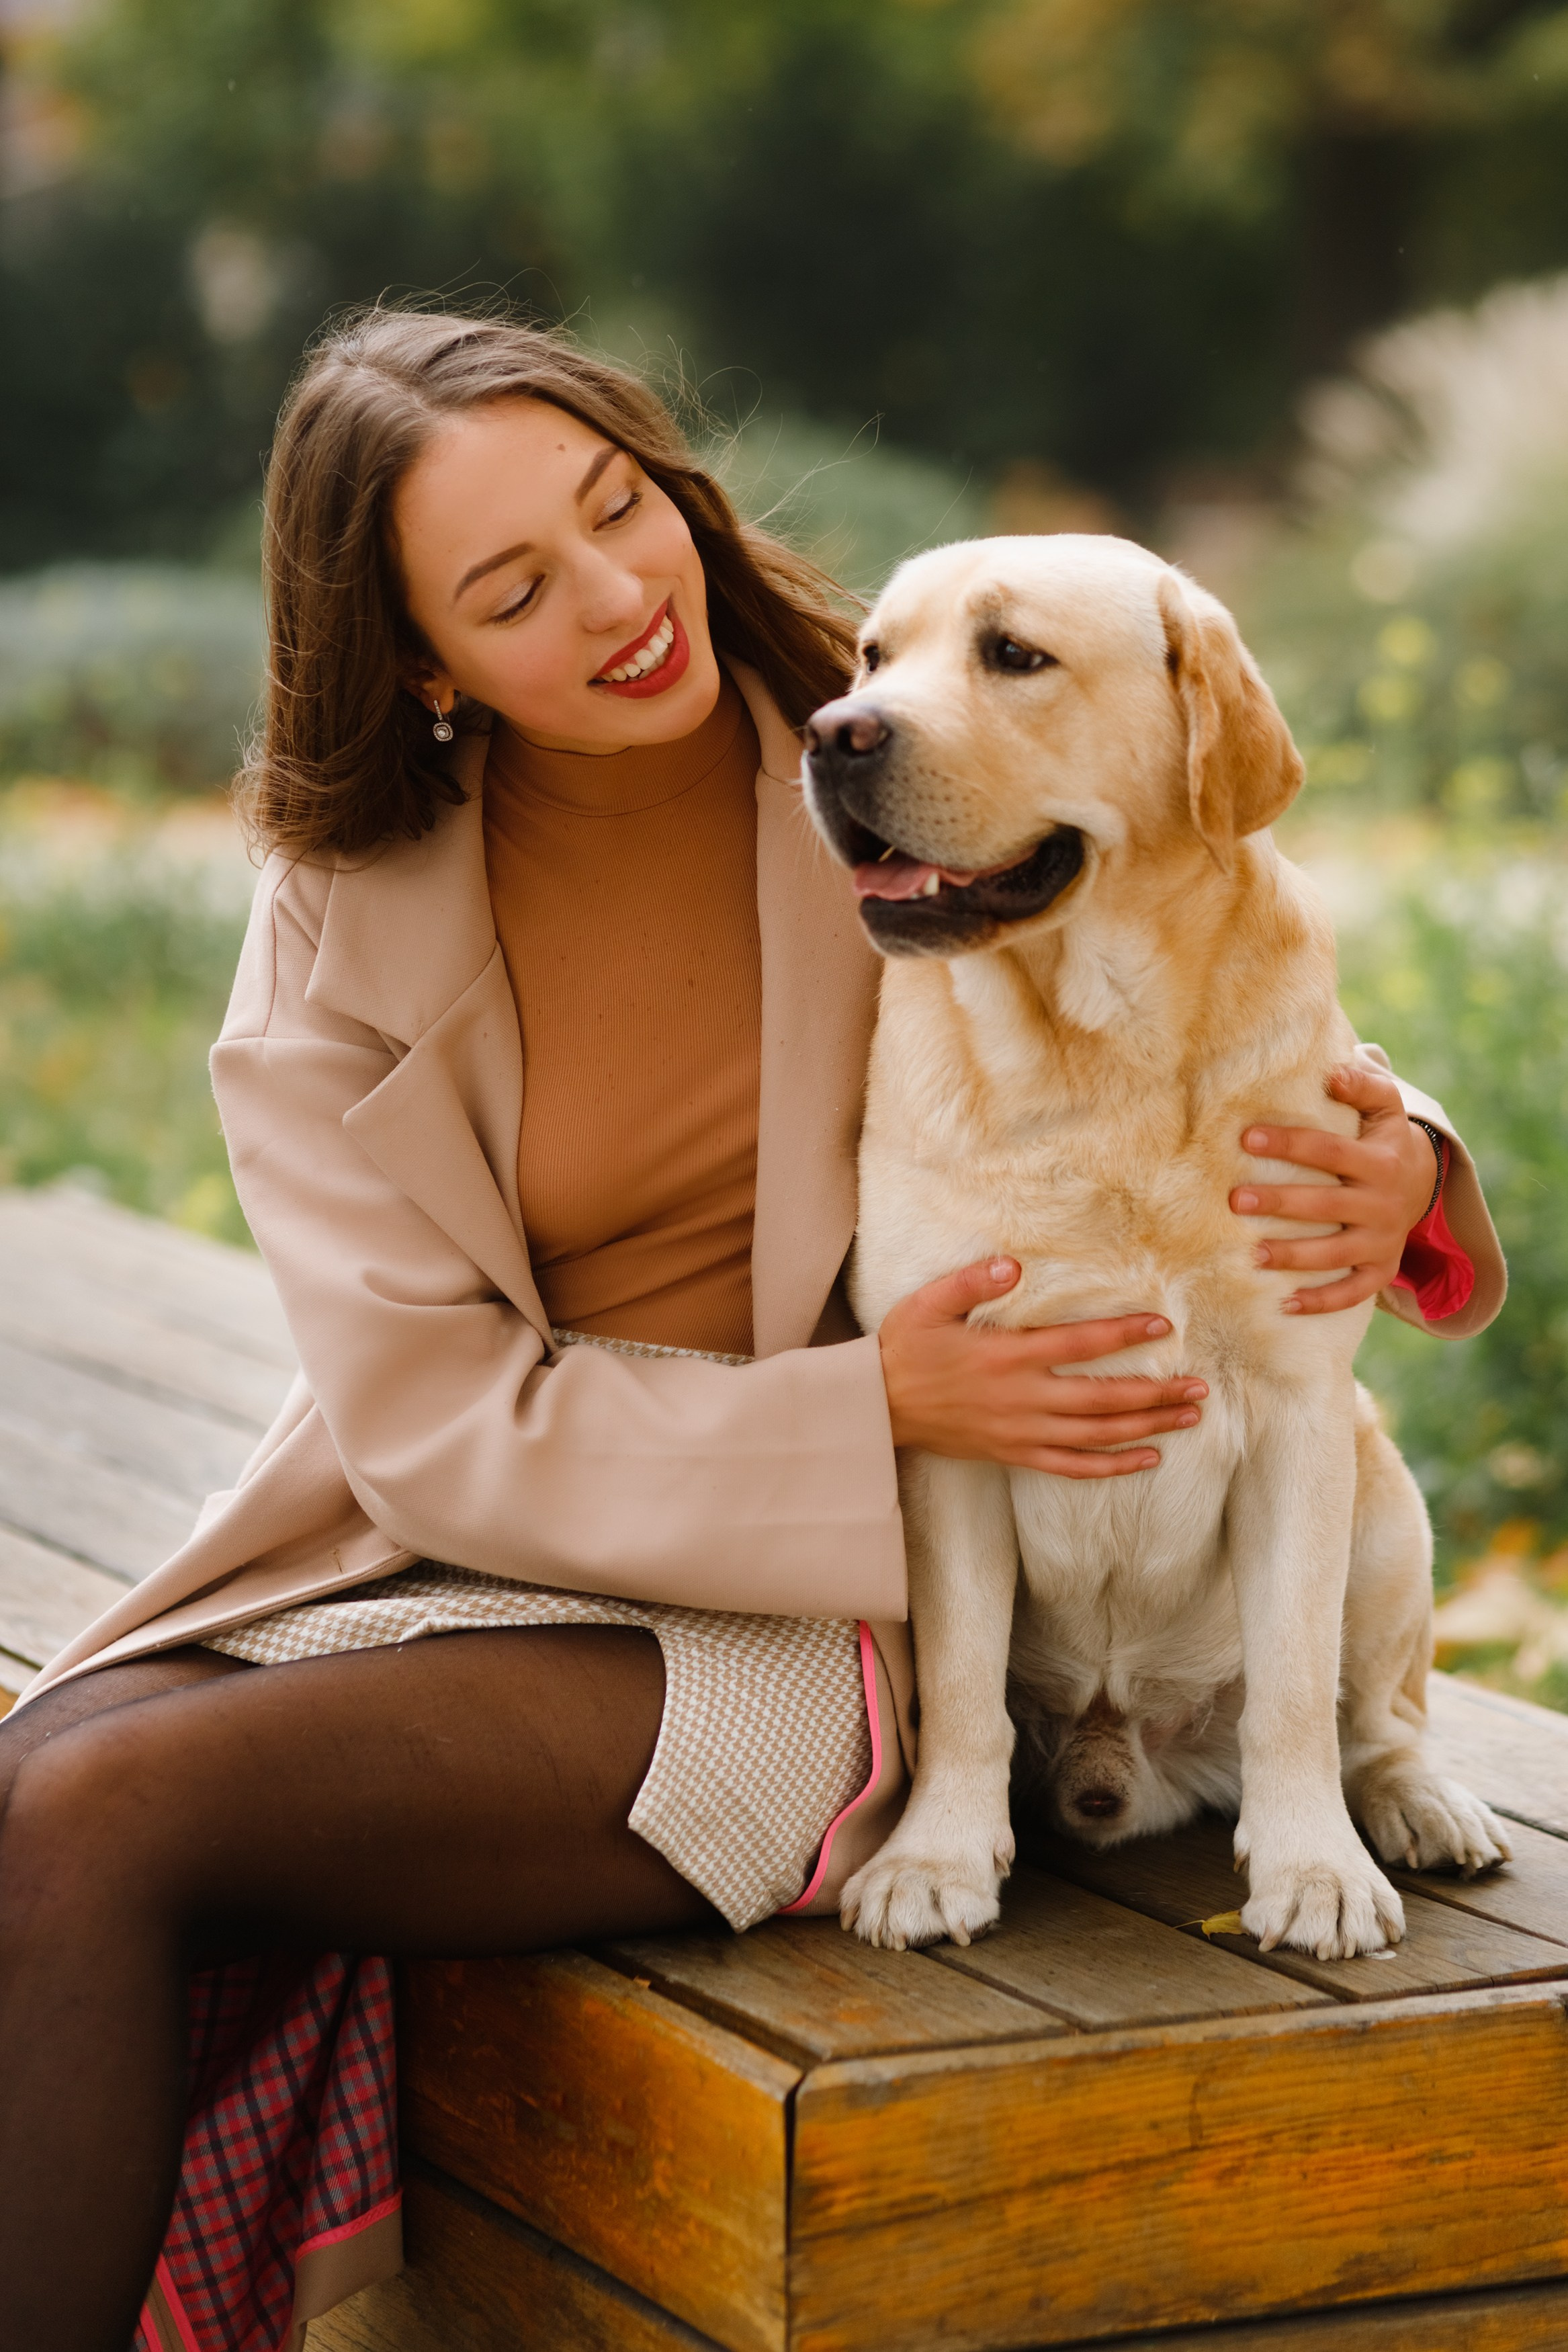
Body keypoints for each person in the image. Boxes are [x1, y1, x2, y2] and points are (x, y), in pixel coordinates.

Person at [0, 308, 1503, 2352]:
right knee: (39, 1776)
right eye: (512, 592)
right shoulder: (338, 909)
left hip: (812, 1611)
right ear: (422, 665)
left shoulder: (874, 741)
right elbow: (423, 1421)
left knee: (101, 1814)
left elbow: (1197, 971)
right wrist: (866, 1398)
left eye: (619, 508)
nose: (618, 597)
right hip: (476, 1534)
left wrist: (1406, 1159)